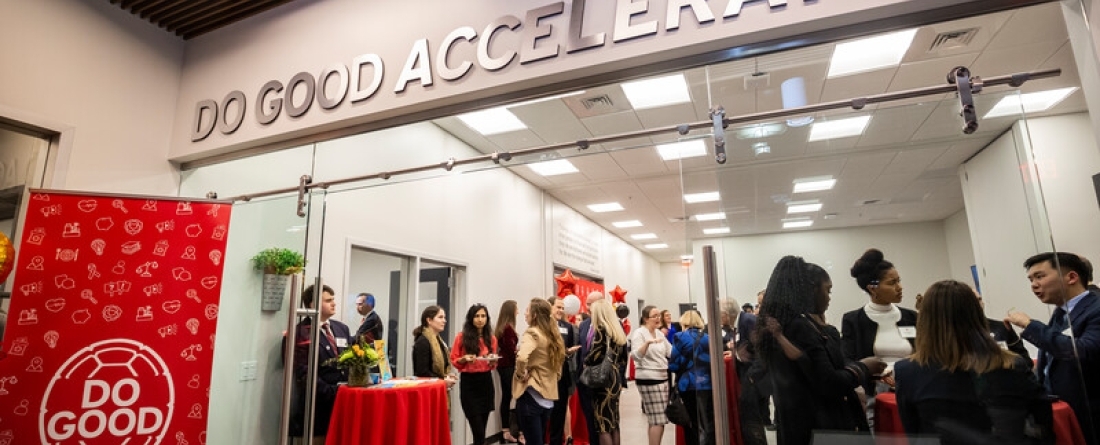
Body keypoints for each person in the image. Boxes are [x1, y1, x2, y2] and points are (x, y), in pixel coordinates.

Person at [895, 280, 1053, 445]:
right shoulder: (1013, 364)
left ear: (925, 319)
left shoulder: (908, 372)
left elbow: (915, 433)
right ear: (977, 313)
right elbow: (1042, 422)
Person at [757, 257, 885, 445]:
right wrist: (863, 368)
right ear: (812, 289)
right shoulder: (800, 327)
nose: (829, 296)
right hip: (820, 427)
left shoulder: (791, 325)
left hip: (800, 426)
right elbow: (828, 381)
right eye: (827, 290)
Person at [1006, 252, 1100, 445]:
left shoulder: (1096, 309)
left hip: (1091, 414)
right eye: (1031, 279)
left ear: (1072, 277)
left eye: (1040, 276)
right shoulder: (1061, 312)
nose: (1033, 284)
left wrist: (1031, 326)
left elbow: (1083, 350)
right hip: (1065, 413)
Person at [842, 248, 916, 417]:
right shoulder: (853, 320)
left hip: (912, 388)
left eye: (899, 281)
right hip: (875, 394)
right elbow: (847, 358)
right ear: (873, 288)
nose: (900, 287)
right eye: (892, 283)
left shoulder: (911, 317)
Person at [289, 284, 354, 444]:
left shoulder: (341, 328)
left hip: (344, 405)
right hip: (317, 410)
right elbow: (302, 372)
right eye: (328, 300)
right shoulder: (300, 332)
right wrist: (332, 391)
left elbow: (352, 359)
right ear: (313, 305)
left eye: (333, 299)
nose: (334, 303)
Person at [514, 298, 566, 445]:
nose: (525, 314)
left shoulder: (532, 333)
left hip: (531, 395)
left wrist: (520, 374)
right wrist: (554, 377)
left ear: (535, 315)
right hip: (547, 399)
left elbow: (522, 357)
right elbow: (560, 361)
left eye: (527, 310)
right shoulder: (553, 335)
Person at [451, 303, 499, 445]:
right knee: (477, 430)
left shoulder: (491, 338)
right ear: (471, 318)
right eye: (477, 316)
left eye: (483, 316)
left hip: (485, 382)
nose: (480, 319)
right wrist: (464, 359)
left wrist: (492, 361)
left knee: (481, 430)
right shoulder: (461, 337)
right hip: (469, 383)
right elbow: (454, 360)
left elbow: (493, 363)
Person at [584, 299, 628, 445]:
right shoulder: (617, 330)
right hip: (614, 377)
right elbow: (623, 358)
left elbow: (594, 354)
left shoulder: (602, 329)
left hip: (603, 380)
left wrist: (586, 361)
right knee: (614, 421)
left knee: (603, 423)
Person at [669, 310, 715, 445]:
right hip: (707, 384)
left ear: (684, 322)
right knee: (706, 421)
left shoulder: (679, 337)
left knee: (690, 422)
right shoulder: (708, 337)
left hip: (687, 385)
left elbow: (674, 365)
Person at [629, 305, 672, 445]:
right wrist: (647, 343)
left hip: (662, 377)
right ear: (646, 319)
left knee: (655, 419)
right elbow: (635, 356)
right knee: (659, 419)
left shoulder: (659, 334)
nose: (658, 318)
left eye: (659, 315)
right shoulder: (639, 333)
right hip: (649, 378)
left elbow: (670, 352)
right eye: (655, 316)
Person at [548, 297, 582, 445]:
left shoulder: (567, 326)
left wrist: (568, 352)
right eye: (558, 307)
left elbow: (567, 348)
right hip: (546, 374)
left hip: (563, 374)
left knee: (560, 411)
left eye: (563, 308)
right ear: (550, 307)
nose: (561, 310)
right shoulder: (543, 326)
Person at [576, 291, 605, 443]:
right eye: (587, 303)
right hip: (585, 380)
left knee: (604, 421)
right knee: (589, 417)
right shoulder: (584, 325)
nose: (588, 307)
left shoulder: (610, 324)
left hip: (603, 381)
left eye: (591, 304)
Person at [976, 291, 1031, 362]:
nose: (979, 304)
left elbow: (1025, 359)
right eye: (974, 301)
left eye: (980, 299)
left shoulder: (1001, 327)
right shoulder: (959, 334)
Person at [411, 305, 457, 386]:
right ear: (429, 320)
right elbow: (422, 373)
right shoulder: (423, 342)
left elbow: (437, 371)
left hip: (437, 388)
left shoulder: (439, 340)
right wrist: (442, 380)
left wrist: (446, 376)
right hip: (427, 390)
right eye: (440, 317)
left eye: (444, 317)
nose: (444, 321)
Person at [496, 300, 521, 443]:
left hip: (504, 365)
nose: (518, 311)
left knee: (506, 397)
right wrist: (518, 354)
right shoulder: (508, 328)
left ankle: (505, 430)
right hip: (508, 366)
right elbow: (510, 350)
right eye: (516, 309)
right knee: (514, 396)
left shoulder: (503, 327)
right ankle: (511, 429)